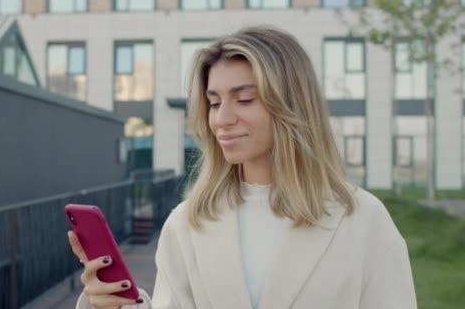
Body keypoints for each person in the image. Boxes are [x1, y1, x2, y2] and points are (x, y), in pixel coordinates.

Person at [68, 26, 417, 309]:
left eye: (245, 99)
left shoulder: (364, 221)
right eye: (214, 102)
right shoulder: (187, 223)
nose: (222, 119)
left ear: (292, 104)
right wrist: (111, 305)